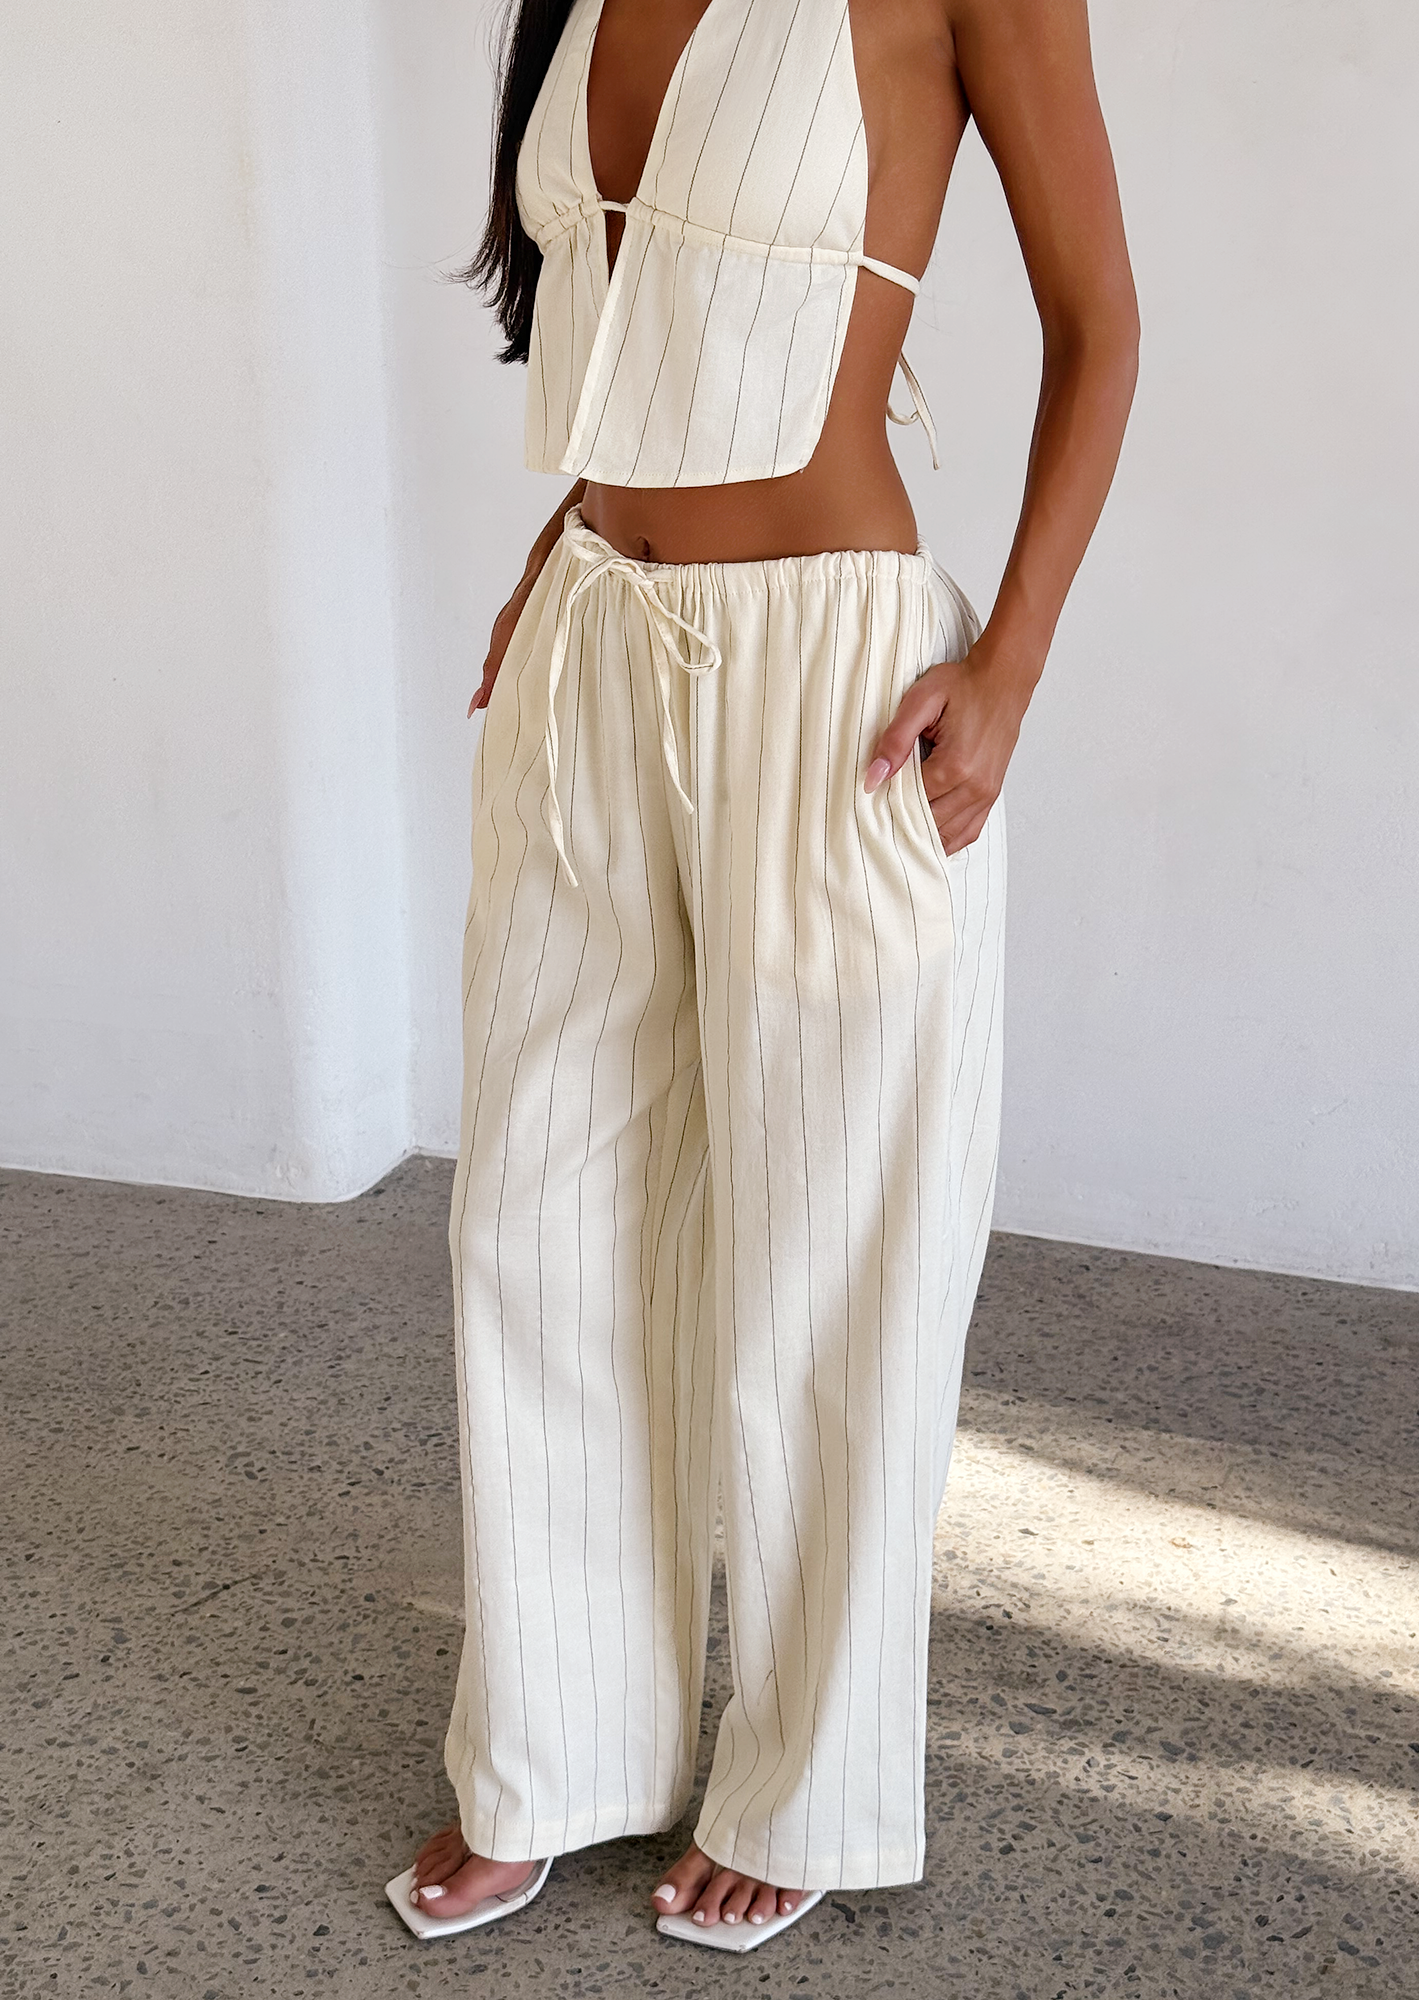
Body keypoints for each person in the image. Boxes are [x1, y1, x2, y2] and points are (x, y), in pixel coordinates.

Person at [387, 0, 1137, 1955]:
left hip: (836, 681)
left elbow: (1101, 324)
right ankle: (555, 1741)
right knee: (541, 1213)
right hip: (596, 645)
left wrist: (1013, 670)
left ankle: (804, 1770)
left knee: (826, 1246)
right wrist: (561, 546)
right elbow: (630, 311)